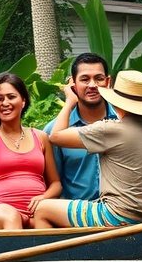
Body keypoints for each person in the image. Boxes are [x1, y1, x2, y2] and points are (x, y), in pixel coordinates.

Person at [31, 70, 142, 228]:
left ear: (116, 102)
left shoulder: (110, 130)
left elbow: (55, 136)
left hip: (114, 216)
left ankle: (61, 254)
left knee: (42, 210)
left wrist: (70, 102)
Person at [0, 72, 62, 229]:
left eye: (11, 97)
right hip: (0, 209)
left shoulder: (41, 137)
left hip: (36, 210)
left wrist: (43, 197)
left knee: (45, 226)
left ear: (23, 101)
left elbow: (55, 184)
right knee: (11, 216)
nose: (5, 103)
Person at [43, 52, 117, 200]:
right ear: (72, 84)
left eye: (99, 78)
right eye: (85, 79)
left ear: (108, 82)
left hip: (120, 214)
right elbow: (52, 183)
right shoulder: (54, 131)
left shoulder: (123, 123)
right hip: (74, 216)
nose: (92, 85)